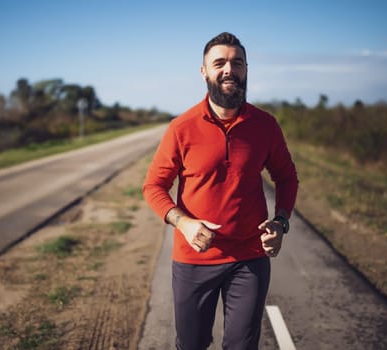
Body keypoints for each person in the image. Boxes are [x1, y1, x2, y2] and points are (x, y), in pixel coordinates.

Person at [142, 32, 299, 350]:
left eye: (237, 62)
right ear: (204, 72)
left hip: (249, 258)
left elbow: (286, 177)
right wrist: (183, 222)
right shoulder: (181, 128)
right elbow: (153, 186)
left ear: (246, 69)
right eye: (220, 63)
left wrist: (280, 222)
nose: (229, 69)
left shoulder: (265, 125)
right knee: (192, 344)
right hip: (193, 259)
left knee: (242, 345)